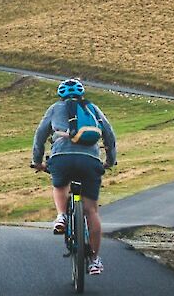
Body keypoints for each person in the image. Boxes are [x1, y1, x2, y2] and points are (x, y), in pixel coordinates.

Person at [30, 77, 117, 277]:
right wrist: (110, 161)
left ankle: (61, 215)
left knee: (60, 186)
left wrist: (37, 161)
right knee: (91, 211)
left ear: (61, 95)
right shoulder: (93, 109)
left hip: (62, 158)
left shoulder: (54, 109)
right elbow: (109, 136)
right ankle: (95, 260)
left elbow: (40, 136)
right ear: (81, 94)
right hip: (90, 161)